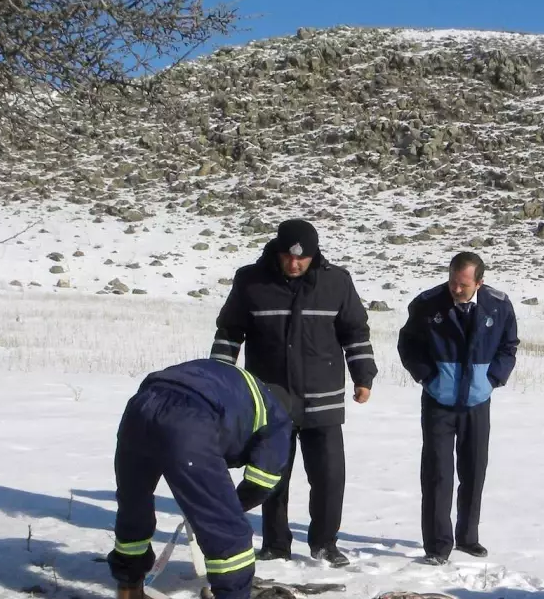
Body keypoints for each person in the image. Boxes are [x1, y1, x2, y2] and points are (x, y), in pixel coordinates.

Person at [209, 219, 376, 568]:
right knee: (271, 476)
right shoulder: (251, 281)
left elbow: (356, 334)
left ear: (314, 256)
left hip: (323, 398)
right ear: (278, 251)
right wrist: (219, 380)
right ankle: (275, 544)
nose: (295, 263)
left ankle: (325, 543)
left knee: (329, 477)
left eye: (303, 258)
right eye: (289, 256)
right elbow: (229, 333)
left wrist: (363, 376)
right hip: (272, 401)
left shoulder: (337, 282)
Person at [106, 358, 300, 599]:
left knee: (134, 506)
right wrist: (225, 508)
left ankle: (129, 597)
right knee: (229, 530)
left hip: (140, 407)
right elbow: (262, 481)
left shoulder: (235, 386)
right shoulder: (277, 418)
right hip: (188, 418)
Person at [397, 251, 519, 565]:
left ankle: (468, 537)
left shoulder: (499, 305)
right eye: (453, 281)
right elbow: (407, 343)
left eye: (464, 284)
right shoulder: (427, 304)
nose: (456, 289)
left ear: (479, 282)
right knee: (438, 473)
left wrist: (492, 379)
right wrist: (427, 376)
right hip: (439, 401)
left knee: (474, 470)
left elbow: (509, 345)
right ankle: (438, 546)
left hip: (477, 402)